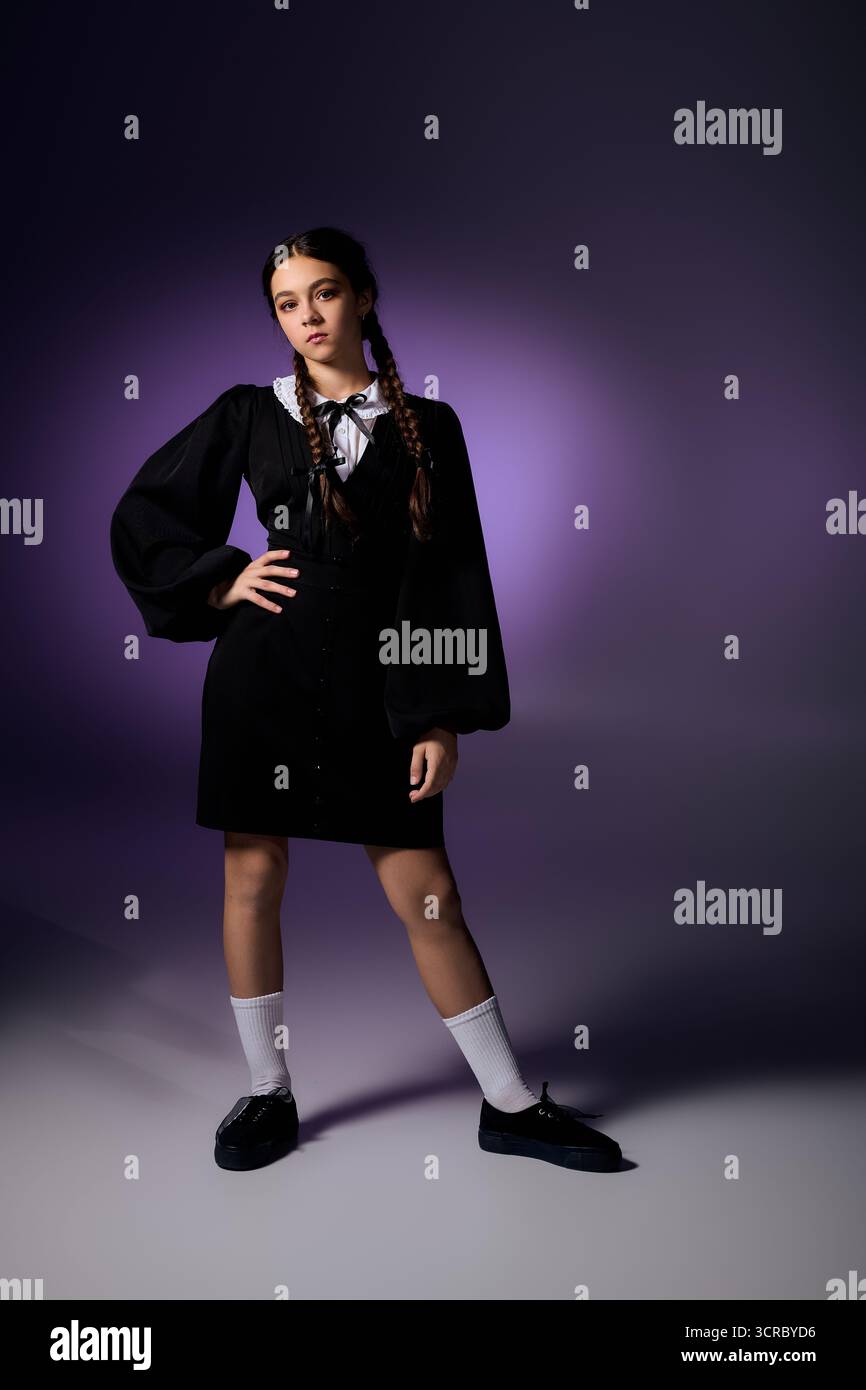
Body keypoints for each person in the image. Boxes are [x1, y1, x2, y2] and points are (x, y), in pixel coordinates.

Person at [109, 225, 621, 1174]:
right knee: (251, 881)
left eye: (325, 293)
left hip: (376, 697)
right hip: (260, 690)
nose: (307, 317)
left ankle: (510, 1103)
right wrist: (220, 582)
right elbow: (146, 515)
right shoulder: (245, 413)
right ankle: (268, 1094)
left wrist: (438, 714)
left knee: (429, 897)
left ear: (365, 297)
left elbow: (452, 576)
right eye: (287, 304)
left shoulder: (432, 427)